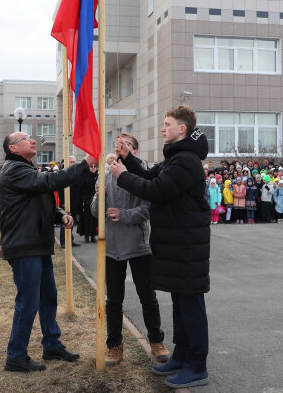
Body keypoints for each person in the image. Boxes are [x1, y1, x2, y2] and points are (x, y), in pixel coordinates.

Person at [110, 106, 210, 389]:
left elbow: (155, 190)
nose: (163, 128)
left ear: (183, 129)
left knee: (191, 307)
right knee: (181, 305)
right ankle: (182, 355)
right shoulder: (175, 158)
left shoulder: (186, 162)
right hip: (178, 244)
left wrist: (121, 175)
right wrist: (128, 160)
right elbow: (150, 174)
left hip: (187, 246)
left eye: (168, 124)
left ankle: (197, 365)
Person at [0, 131, 97, 373]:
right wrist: (84, 165)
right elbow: (48, 183)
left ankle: (52, 345)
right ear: (13, 148)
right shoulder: (14, 170)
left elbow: (40, 199)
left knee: (48, 297)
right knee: (28, 302)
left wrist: (60, 214)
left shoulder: (27, 170)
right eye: (25, 138)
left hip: (37, 244)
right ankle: (16, 356)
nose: (32, 140)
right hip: (24, 247)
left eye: (32, 136)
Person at [92, 132, 170, 366]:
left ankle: (156, 341)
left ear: (134, 151)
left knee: (147, 296)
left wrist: (124, 215)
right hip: (112, 247)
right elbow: (96, 212)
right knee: (113, 300)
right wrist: (100, 199)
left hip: (139, 245)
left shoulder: (144, 175)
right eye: (116, 147)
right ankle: (114, 345)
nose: (119, 151)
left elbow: (149, 209)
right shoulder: (105, 174)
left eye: (124, 146)